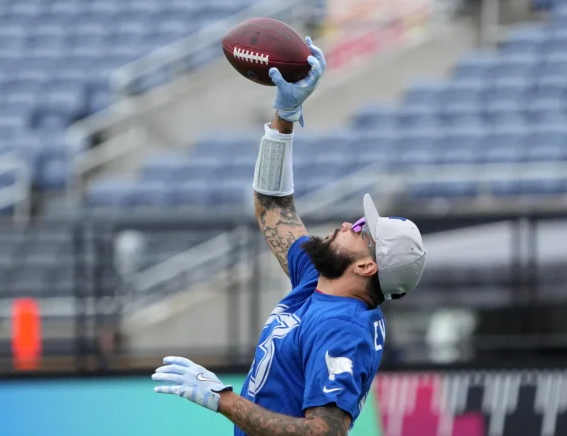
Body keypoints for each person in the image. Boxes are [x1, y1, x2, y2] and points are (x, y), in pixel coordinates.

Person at [151, 36, 427, 435]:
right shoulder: (319, 281)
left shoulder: (344, 328)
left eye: (363, 231)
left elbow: (325, 432)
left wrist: (223, 400)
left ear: (368, 265)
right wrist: (285, 115)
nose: (351, 224)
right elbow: (272, 206)